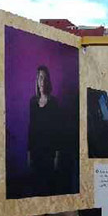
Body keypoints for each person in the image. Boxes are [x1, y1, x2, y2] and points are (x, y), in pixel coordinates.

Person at [28, 65, 61, 196]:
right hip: (36, 152)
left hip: (49, 153)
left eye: (44, 78)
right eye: (40, 77)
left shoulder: (54, 102)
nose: (42, 81)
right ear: (36, 80)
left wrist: (57, 155)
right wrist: (29, 153)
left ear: (48, 81)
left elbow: (57, 131)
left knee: (49, 186)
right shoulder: (32, 102)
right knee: (36, 185)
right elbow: (31, 129)